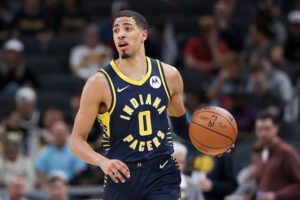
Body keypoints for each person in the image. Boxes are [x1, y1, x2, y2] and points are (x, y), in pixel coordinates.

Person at [70, 10, 233, 200]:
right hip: (122, 175)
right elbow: (76, 142)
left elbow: (180, 126)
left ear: (144, 35)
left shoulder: (169, 75)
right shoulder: (99, 82)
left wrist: (211, 142)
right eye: (116, 31)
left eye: (128, 28)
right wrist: (102, 162)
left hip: (162, 172)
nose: (120, 34)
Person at [245, 111, 300, 200]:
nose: (263, 134)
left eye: (267, 129)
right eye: (260, 129)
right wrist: (250, 197)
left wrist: (276, 195)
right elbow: (263, 186)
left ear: (276, 128)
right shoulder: (259, 153)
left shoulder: (287, 152)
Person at [35, 120, 86, 188]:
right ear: (51, 134)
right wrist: (45, 190)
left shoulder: (76, 152)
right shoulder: (43, 153)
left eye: (62, 134)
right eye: (57, 134)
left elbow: (80, 173)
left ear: (67, 134)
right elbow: (40, 174)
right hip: (49, 189)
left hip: (71, 188)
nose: (59, 137)